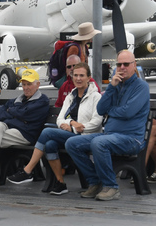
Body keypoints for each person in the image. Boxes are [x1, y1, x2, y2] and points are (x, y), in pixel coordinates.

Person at [64, 50, 150, 201]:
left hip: (131, 139)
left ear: (134, 65)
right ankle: (95, 182)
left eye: (126, 64)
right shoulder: (115, 86)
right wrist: (111, 86)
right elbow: (100, 109)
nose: (122, 67)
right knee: (72, 143)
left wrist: (111, 111)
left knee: (99, 142)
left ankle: (111, 187)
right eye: (118, 64)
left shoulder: (141, 87)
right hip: (110, 136)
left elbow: (128, 112)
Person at [7, 62, 103, 195]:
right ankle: (60, 183)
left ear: (89, 78)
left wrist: (75, 129)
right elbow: (60, 119)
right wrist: (71, 123)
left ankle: (28, 170)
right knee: (50, 144)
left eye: (82, 75)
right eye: (75, 75)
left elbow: (97, 122)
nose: (78, 78)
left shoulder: (96, 97)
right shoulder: (71, 97)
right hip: (71, 134)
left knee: (47, 132)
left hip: (87, 136)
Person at [0, 68, 50, 190]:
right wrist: (17, 115)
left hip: (26, 134)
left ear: (38, 84)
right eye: (24, 84)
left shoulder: (42, 101)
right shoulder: (17, 99)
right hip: (9, 130)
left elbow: (27, 115)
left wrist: (13, 113)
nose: (26, 87)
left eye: (29, 84)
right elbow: (2, 112)